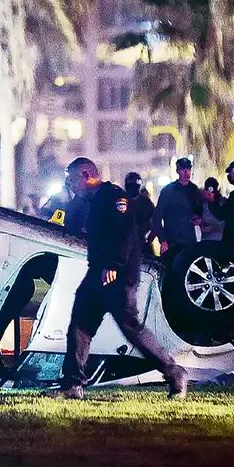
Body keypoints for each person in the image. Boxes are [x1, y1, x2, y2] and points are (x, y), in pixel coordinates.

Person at [45, 158, 188, 400]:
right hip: (97, 272)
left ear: (87, 174)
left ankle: (175, 373)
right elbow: (76, 226)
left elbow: (126, 234)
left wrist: (114, 265)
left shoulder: (114, 197)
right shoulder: (89, 201)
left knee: (131, 328)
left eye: (71, 179)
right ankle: (72, 384)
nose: (69, 184)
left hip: (118, 275)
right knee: (80, 324)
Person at [152, 157, 202, 267]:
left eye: (188, 169)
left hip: (190, 241)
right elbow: (157, 217)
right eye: (183, 170)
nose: (186, 173)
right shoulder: (168, 191)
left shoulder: (194, 190)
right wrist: (163, 241)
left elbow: (199, 211)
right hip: (173, 242)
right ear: (178, 171)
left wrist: (198, 219)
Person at [124, 172, 156, 255]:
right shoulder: (144, 201)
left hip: (137, 243)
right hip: (132, 244)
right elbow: (155, 222)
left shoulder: (144, 202)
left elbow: (155, 222)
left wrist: (149, 239)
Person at [199, 177, 225, 242]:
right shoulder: (202, 202)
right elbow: (198, 218)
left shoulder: (223, 202)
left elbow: (223, 217)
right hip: (206, 240)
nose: (210, 194)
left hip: (221, 240)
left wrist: (212, 201)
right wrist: (201, 227)